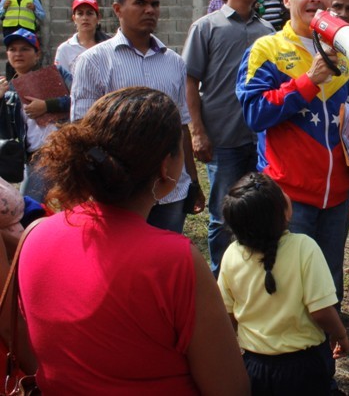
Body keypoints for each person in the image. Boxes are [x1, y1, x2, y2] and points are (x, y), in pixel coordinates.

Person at [18, 87, 249, 395]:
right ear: (166, 167)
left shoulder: (34, 235)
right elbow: (230, 389)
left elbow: (30, 355)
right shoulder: (175, 260)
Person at [237, 0, 349, 305]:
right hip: (288, 195)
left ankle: (328, 340)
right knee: (289, 281)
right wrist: (309, 82)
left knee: (329, 277)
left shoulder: (344, 50)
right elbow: (255, 113)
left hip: (338, 192)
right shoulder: (265, 50)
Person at [71, 0, 204, 233]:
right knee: (123, 263)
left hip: (170, 191)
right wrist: (101, 179)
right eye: (140, 3)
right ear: (118, 9)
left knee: (164, 262)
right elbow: (81, 128)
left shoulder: (174, 62)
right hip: (120, 191)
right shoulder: (93, 61)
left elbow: (181, 126)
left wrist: (193, 180)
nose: (150, 10)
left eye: (155, 4)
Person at [183, 0, 274, 276]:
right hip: (223, 138)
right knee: (223, 215)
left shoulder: (268, 30)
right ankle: (220, 284)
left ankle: (253, 276)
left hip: (262, 139)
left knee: (259, 210)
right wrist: (197, 131)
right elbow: (190, 80)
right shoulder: (207, 27)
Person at [218, 172, 349, 394]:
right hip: (304, 366)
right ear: (284, 213)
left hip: (255, 365)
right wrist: (340, 334)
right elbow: (321, 311)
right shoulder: (304, 247)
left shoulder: (231, 254)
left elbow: (228, 315)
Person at [0, 29, 71, 203]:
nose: (18, 54)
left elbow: (82, 99)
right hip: (35, 157)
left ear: (37, 54)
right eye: (13, 49)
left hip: (67, 149)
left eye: (25, 49)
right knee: (33, 205)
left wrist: (48, 105)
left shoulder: (58, 74)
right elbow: (6, 133)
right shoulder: (8, 91)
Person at [54, 0, 110, 74]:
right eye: (80, 14)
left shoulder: (108, 45)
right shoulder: (65, 49)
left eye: (89, 13)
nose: (85, 18)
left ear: (98, 18)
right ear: (74, 18)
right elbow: (61, 80)